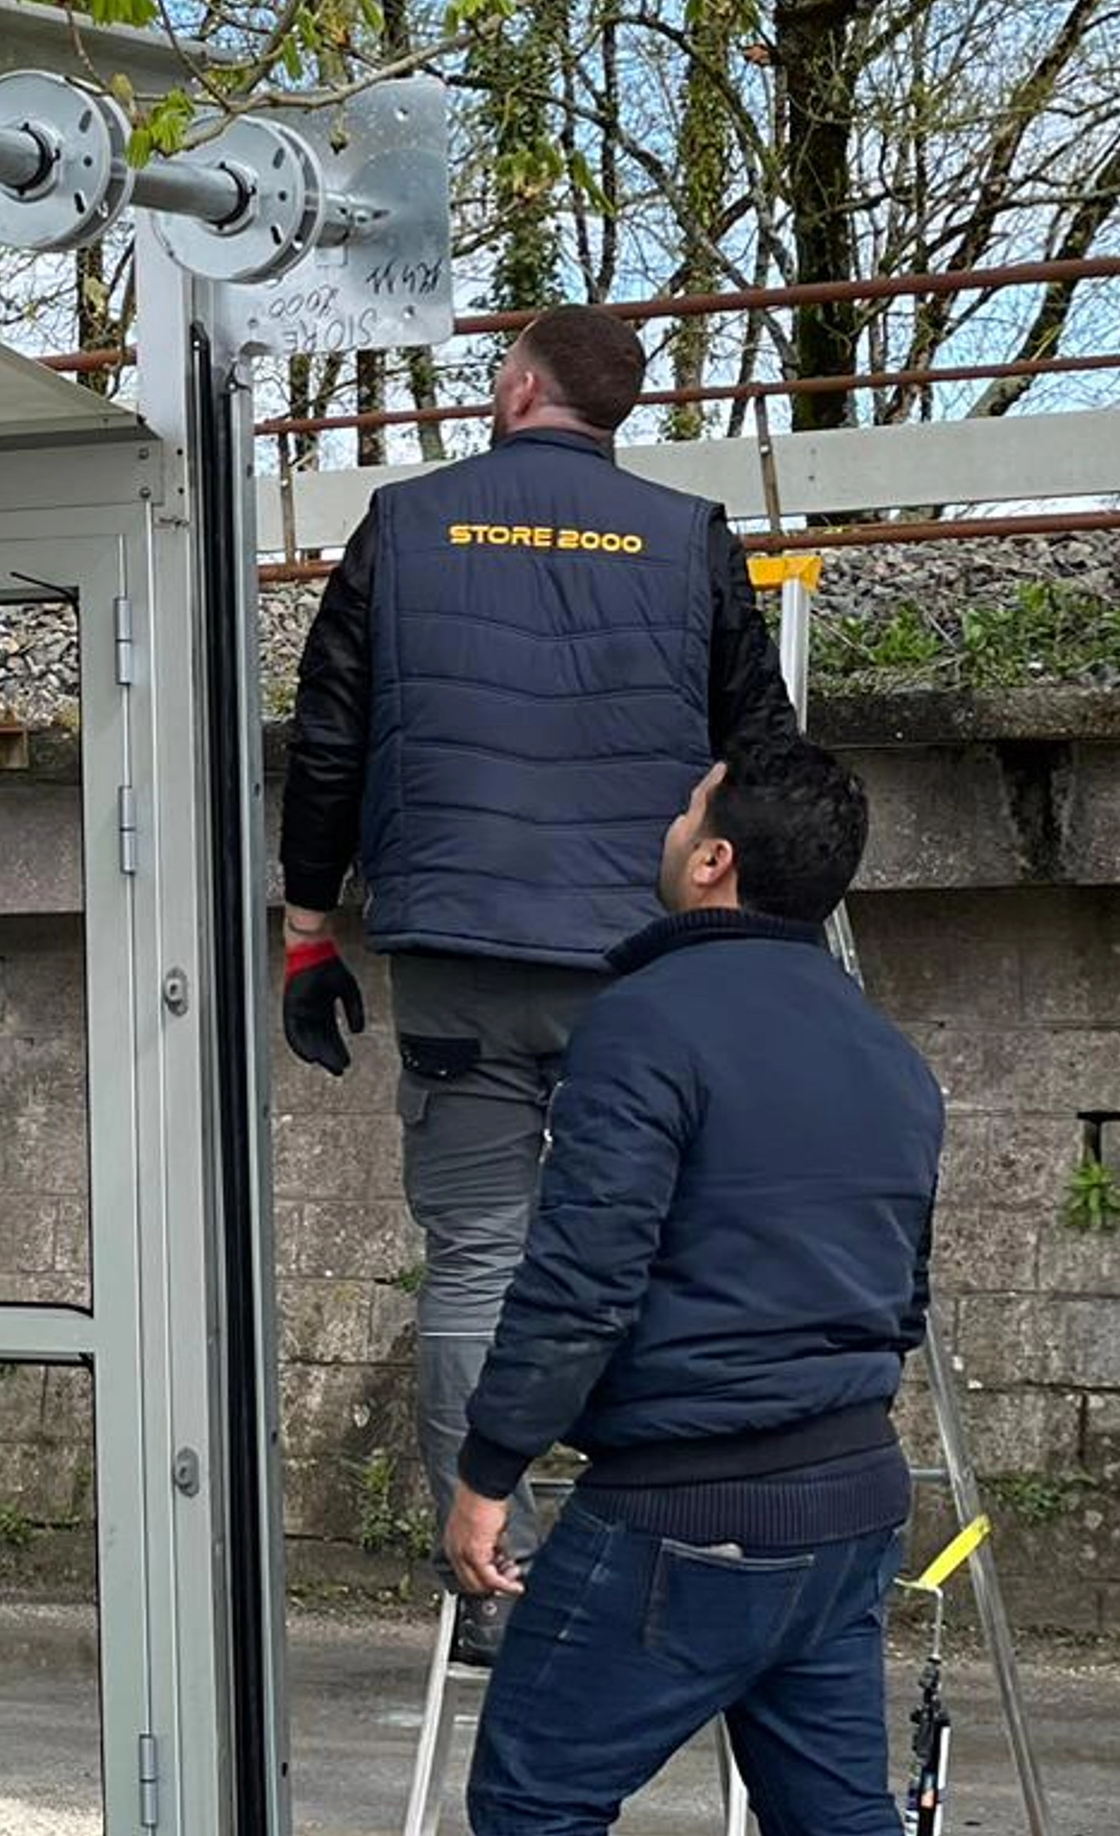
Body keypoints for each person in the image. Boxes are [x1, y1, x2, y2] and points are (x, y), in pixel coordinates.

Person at [277, 302, 796, 1660]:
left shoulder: (406, 522)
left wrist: (306, 929)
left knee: (478, 1260)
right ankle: (658, 1568)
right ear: (611, 410)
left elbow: (327, 740)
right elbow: (764, 751)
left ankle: (489, 1587)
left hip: (455, 952)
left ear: (517, 388)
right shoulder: (687, 537)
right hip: (642, 962)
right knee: (657, 1246)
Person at [443, 740, 944, 1836]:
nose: (668, 827)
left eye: (686, 812)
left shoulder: (643, 1025)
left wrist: (487, 1472)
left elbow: (579, 1281)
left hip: (687, 1511)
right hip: (851, 1501)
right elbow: (903, 1296)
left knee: (536, 1806)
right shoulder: (888, 1052)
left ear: (713, 860)